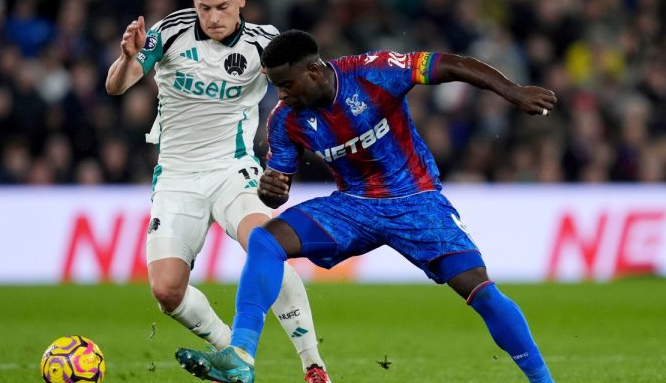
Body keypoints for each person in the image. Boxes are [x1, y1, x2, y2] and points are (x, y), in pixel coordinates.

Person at [176, 30, 557, 383]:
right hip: (354, 207)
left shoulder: (372, 73)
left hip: (415, 200)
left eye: (287, 85)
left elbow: (451, 64)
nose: (282, 96)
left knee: (481, 291)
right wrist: (270, 189)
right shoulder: (286, 121)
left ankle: (543, 381)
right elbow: (278, 190)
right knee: (266, 240)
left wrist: (513, 91)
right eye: (276, 88)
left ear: (313, 70)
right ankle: (241, 353)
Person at [105, 0, 330, 383]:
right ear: (194, 0)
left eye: (223, 7)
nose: (213, 17)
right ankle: (231, 353)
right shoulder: (167, 33)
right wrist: (125, 58)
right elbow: (117, 86)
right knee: (166, 291)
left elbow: (309, 88)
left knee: (267, 244)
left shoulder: (266, 44)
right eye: (205, 7)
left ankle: (313, 365)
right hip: (176, 177)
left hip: (234, 171)